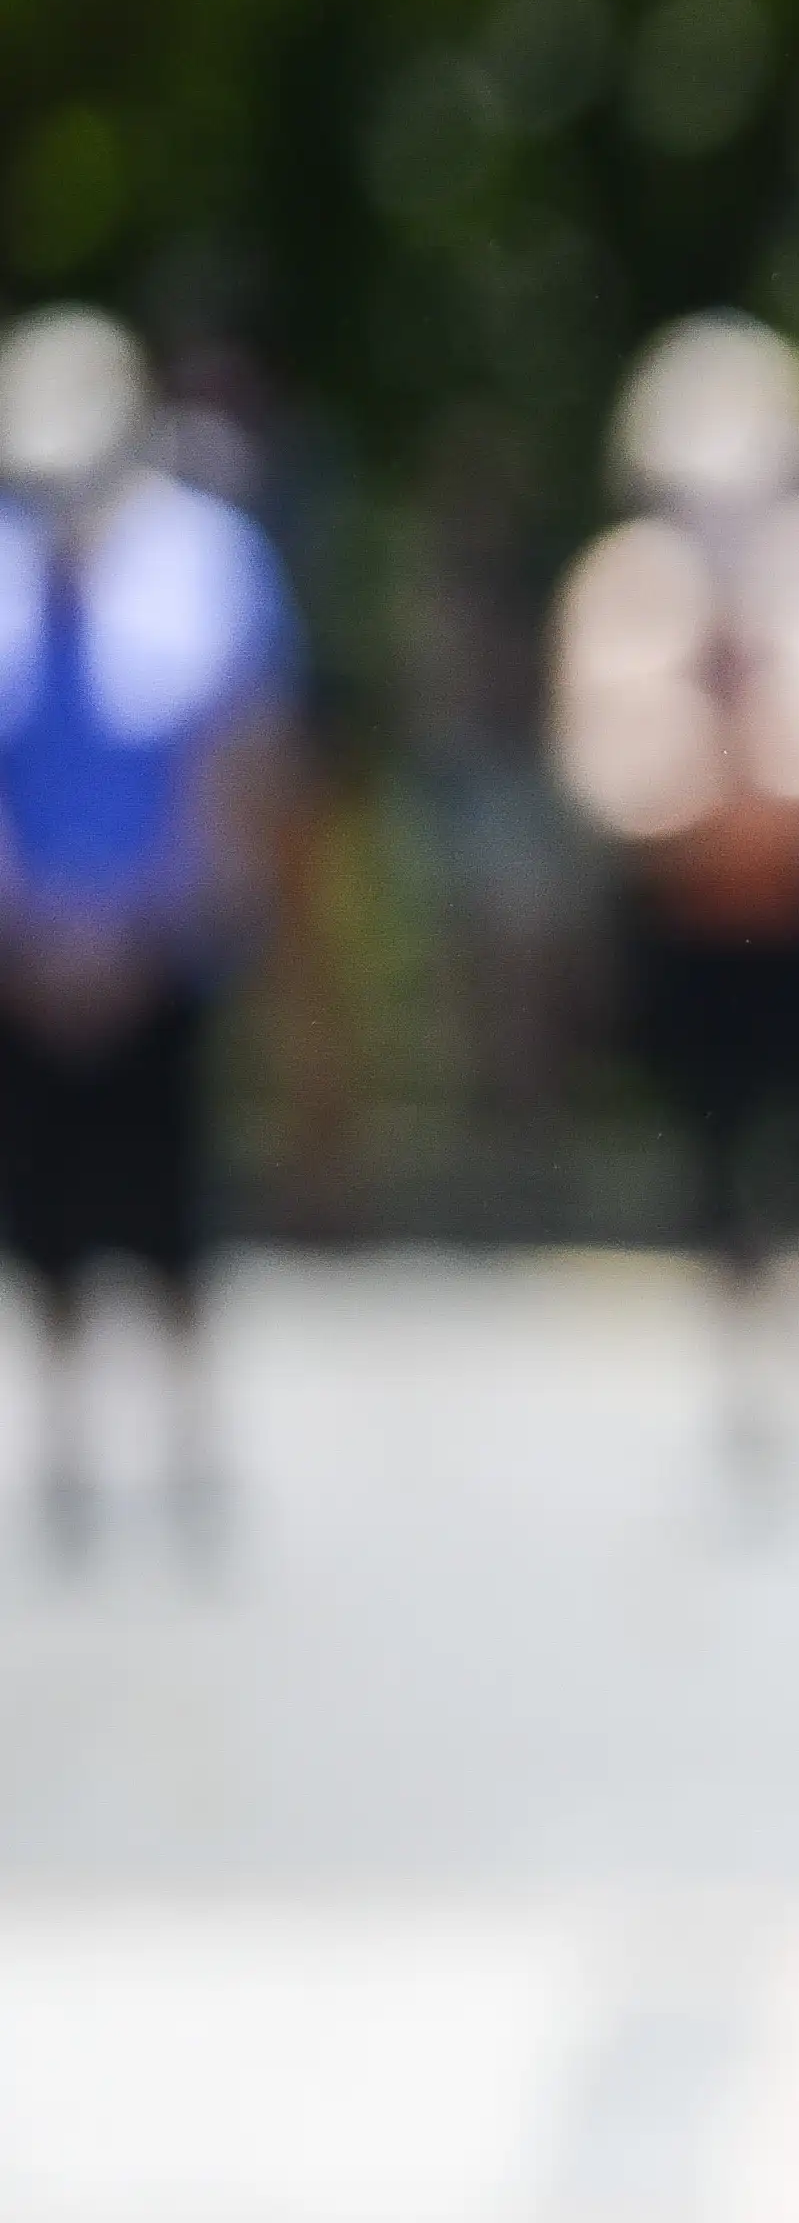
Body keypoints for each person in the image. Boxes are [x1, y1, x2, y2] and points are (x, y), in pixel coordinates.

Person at [549, 313, 799, 1473]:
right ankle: (748, 1395)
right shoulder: (626, 583)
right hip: (696, 926)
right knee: (716, 1165)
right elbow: (606, 771)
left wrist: (750, 791)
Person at [0, 307, 299, 1555]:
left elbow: (241, 766)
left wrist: (151, 930)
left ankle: (187, 1448)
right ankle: (61, 1449)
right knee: (45, 1213)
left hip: (158, 951)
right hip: (23, 955)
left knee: (171, 1202)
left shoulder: (208, 559)